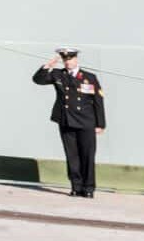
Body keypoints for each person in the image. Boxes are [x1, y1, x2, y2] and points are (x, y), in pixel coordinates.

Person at [33, 48, 106, 198]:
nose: (68, 62)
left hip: (86, 122)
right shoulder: (58, 75)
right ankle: (76, 187)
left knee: (87, 155)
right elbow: (38, 80)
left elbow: (98, 102)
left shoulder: (89, 77)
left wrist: (100, 124)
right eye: (65, 59)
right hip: (66, 120)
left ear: (76, 59)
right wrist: (48, 66)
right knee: (72, 156)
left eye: (70, 59)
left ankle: (89, 188)